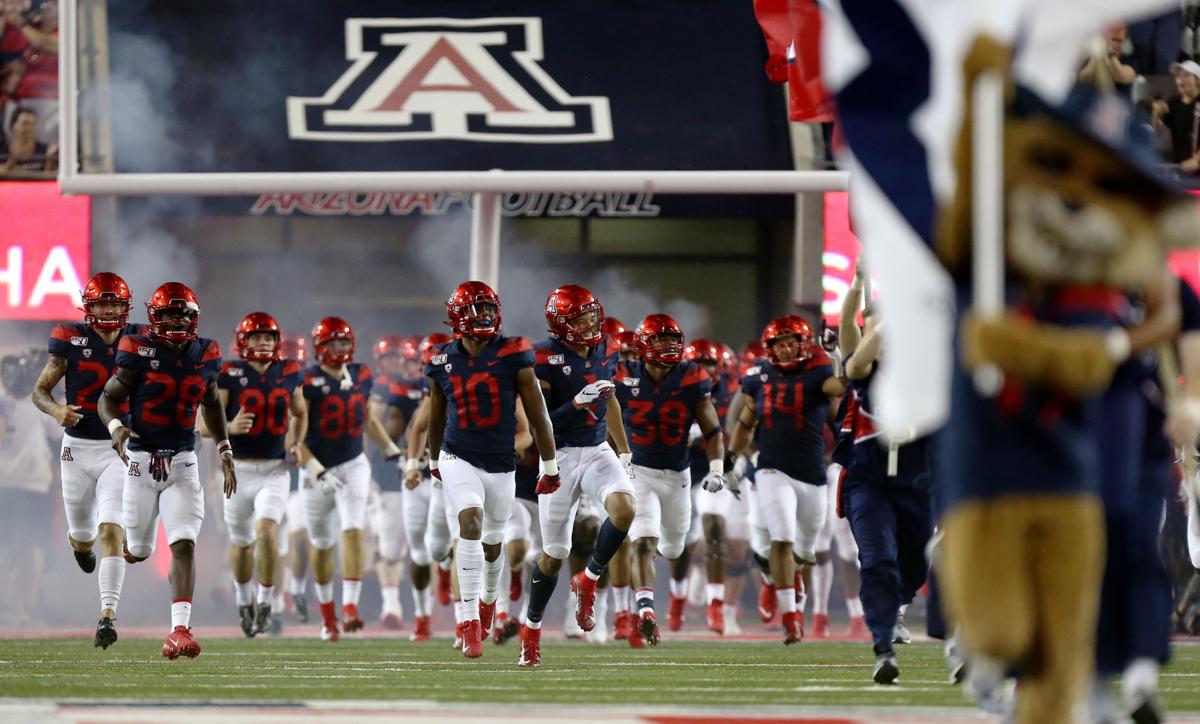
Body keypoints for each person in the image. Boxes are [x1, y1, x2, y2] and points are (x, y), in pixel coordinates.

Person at [405, 281, 559, 660]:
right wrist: (432, 460)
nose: (486, 317)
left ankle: (489, 601)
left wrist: (550, 464)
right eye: (478, 310)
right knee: (469, 523)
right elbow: (436, 415)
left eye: (490, 309)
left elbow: (538, 414)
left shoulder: (513, 353)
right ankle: (470, 622)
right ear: (458, 317)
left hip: (500, 463)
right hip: (458, 456)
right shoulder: (441, 358)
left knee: (494, 545)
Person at [98, 282, 236, 660]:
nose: (176, 321)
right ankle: (130, 549)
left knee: (183, 542)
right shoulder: (138, 350)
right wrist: (115, 428)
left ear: (193, 318)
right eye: (170, 314)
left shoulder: (205, 353)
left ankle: (179, 629)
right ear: (155, 318)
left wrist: (224, 447)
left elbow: (210, 401)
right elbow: (108, 397)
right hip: (141, 463)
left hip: (182, 461)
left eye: (183, 315)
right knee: (140, 551)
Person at [523, 284, 636, 666]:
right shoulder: (545, 357)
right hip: (561, 456)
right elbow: (541, 424)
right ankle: (531, 629)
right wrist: (575, 402)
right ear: (562, 324)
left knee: (624, 510)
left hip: (598, 449)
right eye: (581, 318)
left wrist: (624, 450)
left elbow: (611, 400)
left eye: (592, 314)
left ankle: (588, 579)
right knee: (554, 555)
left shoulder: (606, 348)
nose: (591, 322)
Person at [31, 272, 139, 648]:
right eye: (101, 303)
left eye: (113, 303)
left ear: (124, 307)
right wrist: (56, 410)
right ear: (88, 307)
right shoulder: (70, 338)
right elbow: (40, 391)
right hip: (76, 449)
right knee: (82, 537)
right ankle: (82, 547)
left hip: (117, 449)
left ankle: (107, 615)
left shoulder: (140, 341)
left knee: (113, 528)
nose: (108, 309)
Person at [730, 316, 846, 644]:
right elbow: (745, 422)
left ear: (802, 343)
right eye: (777, 344)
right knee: (782, 538)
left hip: (811, 474)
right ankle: (790, 616)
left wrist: (835, 356)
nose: (783, 349)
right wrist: (729, 461)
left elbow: (841, 387)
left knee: (806, 552)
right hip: (771, 469)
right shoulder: (759, 377)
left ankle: (785, 583)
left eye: (789, 342)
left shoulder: (818, 371)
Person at [615, 315, 725, 645]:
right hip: (640, 472)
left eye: (673, 339)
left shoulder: (693, 377)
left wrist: (717, 467)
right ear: (645, 346)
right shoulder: (624, 377)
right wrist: (617, 455)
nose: (669, 346)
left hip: (678, 475)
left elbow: (712, 429)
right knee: (644, 542)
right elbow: (605, 418)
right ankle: (646, 610)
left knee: (675, 549)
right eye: (661, 340)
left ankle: (653, 592)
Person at [296, 316, 403, 641]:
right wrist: (318, 471)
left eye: (344, 342)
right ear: (319, 348)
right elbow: (295, 439)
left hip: (354, 463)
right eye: (333, 343)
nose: (340, 349)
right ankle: (328, 616)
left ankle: (351, 608)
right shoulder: (306, 381)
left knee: (353, 530)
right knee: (322, 544)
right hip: (317, 468)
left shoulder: (361, 374)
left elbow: (367, 419)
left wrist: (389, 448)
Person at [841, 309, 933, 684]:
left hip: (916, 483)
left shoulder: (927, 374)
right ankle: (883, 648)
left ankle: (896, 608)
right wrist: (888, 316)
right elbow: (857, 361)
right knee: (877, 559)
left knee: (915, 563)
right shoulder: (868, 372)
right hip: (869, 481)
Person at [214, 312, 304, 638]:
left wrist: (296, 441)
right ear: (244, 341)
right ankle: (243, 601)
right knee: (241, 544)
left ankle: (266, 602)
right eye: (257, 337)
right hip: (237, 470)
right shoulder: (228, 373)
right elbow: (202, 423)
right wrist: (229, 426)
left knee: (267, 532)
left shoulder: (289, 371)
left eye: (269, 337)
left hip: (275, 470)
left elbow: (300, 412)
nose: (264, 342)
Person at [685, 337, 746, 635]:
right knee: (678, 543)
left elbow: (742, 426)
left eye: (709, 363)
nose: (705, 369)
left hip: (719, 471)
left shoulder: (733, 390)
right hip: (682, 473)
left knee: (731, 545)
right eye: (699, 364)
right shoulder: (676, 389)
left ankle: (718, 605)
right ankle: (691, 593)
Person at [1, 348, 58, 628]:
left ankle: (16, 606)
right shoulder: (37, 403)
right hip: (32, 484)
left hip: (8, 485)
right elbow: (58, 431)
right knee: (30, 547)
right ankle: (21, 606)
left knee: (15, 547)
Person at [1151, 61, 1200, 171]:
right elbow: (1159, 129)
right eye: (1178, 76)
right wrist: (1156, 114)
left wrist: (1196, 160)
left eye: (1186, 75)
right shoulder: (1174, 103)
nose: (1180, 80)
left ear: (1197, 80)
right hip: (1180, 167)